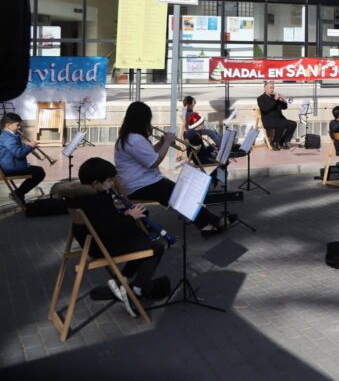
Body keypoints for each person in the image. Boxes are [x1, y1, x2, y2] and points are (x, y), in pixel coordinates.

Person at [114, 101, 233, 235]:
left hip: (143, 182)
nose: (150, 123)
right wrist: (167, 143)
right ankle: (213, 221)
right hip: (139, 186)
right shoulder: (135, 139)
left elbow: (149, 154)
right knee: (179, 194)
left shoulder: (130, 137)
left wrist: (161, 143)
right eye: (148, 120)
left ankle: (206, 225)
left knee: (180, 194)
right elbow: (153, 162)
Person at [69, 157, 167, 311]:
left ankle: (122, 281)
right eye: (109, 181)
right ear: (96, 183)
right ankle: (137, 289)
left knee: (142, 241)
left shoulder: (81, 197)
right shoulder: (97, 200)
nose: (112, 184)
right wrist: (131, 218)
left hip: (93, 243)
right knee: (156, 248)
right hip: (104, 246)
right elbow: (110, 229)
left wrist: (125, 214)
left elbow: (106, 221)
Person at [0, 112, 45, 205]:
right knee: (39, 173)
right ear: (8, 125)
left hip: (9, 165)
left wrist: (27, 145)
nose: (20, 127)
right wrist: (30, 147)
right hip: (10, 168)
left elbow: (15, 149)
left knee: (38, 171)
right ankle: (18, 193)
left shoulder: (8, 135)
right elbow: (19, 154)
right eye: (17, 125)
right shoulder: (9, 138)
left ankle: (18, 193)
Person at [257, 81, 297, 150]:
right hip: (269, 120)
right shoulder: (260, 98)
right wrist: (275, 100)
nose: (272, 89)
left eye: (273, 88)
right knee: (281, 124)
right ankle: (275, 142)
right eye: (270, 88)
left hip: (279, 119)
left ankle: (284, 141)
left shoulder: (274, 97)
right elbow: (265, 109)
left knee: (293, 124)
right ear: (265, 88)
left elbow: (284, 107)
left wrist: (283, 100)